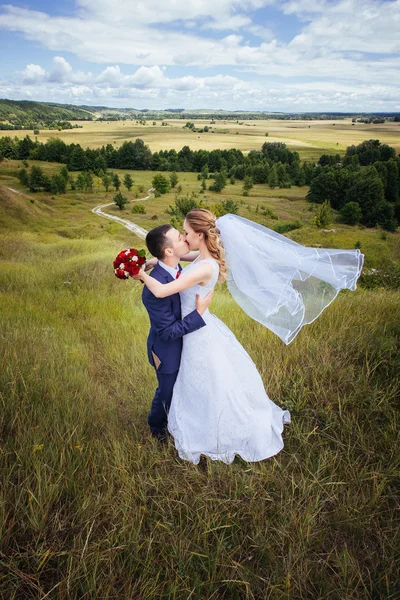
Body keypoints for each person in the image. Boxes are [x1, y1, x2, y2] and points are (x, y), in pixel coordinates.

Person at [135, 209, 363, 464]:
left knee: (211, 380)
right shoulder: (200, 256)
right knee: (204, 381)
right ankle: (191, 418)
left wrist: (140, 273)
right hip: (196, 328)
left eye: (186, 233)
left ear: (199, 235)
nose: (184, 237)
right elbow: (180, 258)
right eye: (182, 235)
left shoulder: (204, 266)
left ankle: (218, 427)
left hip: (197, 329)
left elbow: (164, 290)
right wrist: (157, 262)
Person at [141, 224, 213, 442]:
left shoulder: (179, 267)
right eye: (179, 237)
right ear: (169, 251)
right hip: (167, 349)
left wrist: (153, 261)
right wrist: (198, 314)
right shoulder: (153, 291)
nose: (184, 238)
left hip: (189, 342)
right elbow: (166, 333)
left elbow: (200, 254)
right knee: (167, 391)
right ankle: (157, 427)